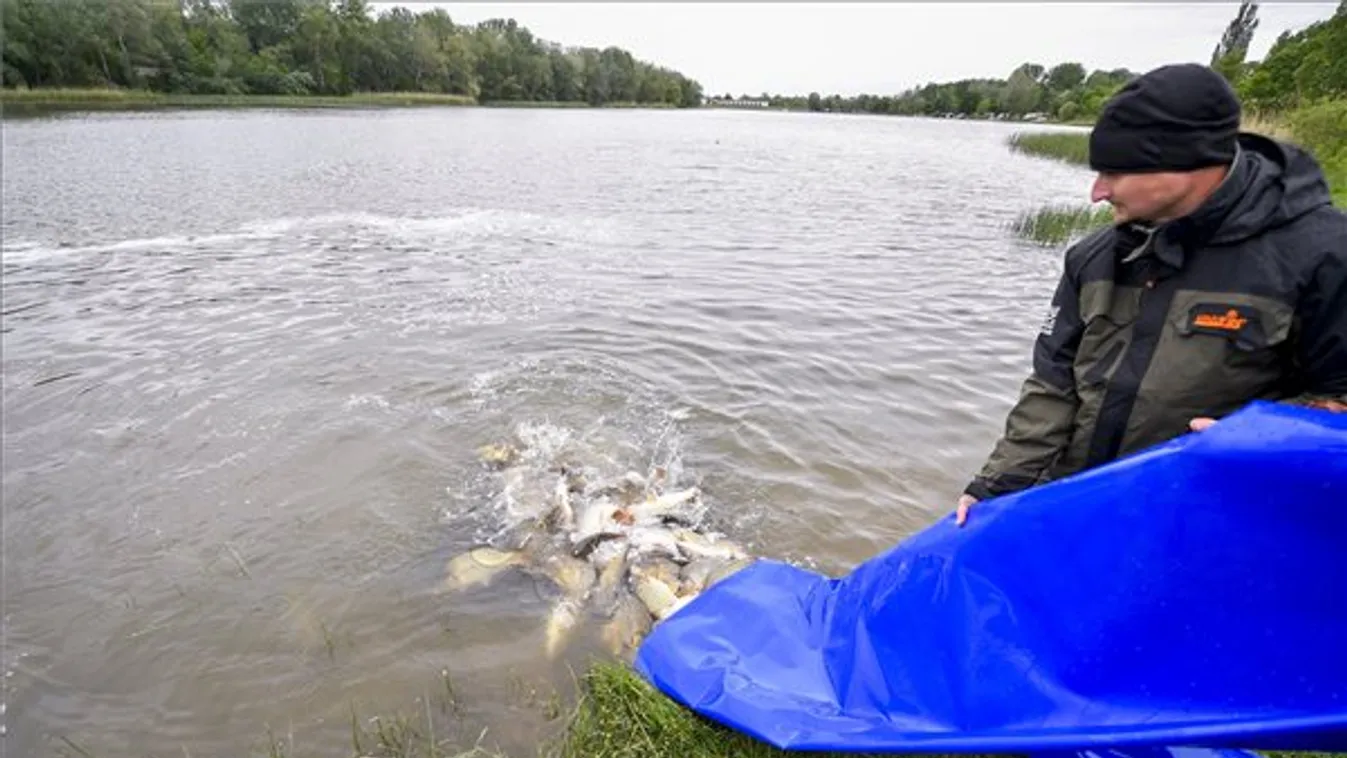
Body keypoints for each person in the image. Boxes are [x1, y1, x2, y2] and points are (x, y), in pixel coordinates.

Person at [956, 62, 1347, 526]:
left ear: (1186, 166)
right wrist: (996, 486)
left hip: (1211, 522)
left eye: (1114, 173)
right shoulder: (1093, 258)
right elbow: (1053, 386)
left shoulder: (1323, 254)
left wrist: (1256, 438)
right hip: (1083, 506)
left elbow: (1338, 401)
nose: (1097, 193)